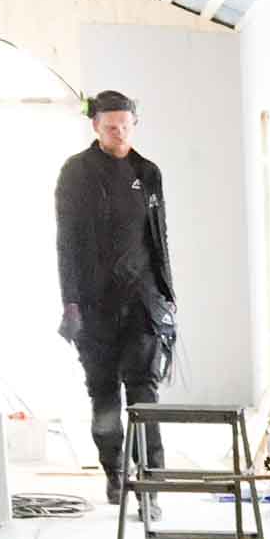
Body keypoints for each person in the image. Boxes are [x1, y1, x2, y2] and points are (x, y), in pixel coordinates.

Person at [54, 90, 177, 507]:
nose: (119, 133)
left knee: (145, 392)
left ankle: (152, 482)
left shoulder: (147, 172)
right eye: (110, 127)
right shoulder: (77, 173)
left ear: (133, 125)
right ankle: (115, 473)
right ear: (96, 126)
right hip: (94, 304)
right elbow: (66, 241)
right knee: (104, 393)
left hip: (142, 300)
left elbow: (159, 237)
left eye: (125, 125)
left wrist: (167, 294)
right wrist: (71, 301)